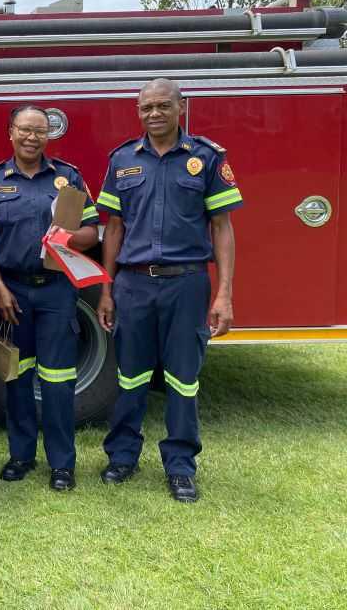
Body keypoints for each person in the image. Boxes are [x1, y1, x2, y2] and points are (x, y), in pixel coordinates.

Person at [96, 78, 241, 503]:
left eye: (162, 106)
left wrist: (224, 293)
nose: (154, 114)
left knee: (183, 379)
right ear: (138, 111)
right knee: (130, 376)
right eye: (146, 108)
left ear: (181, 107)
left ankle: (180, 466)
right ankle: (122, 456)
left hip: (187, 282)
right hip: (133, 283)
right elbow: (114, 230)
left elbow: (222, 228)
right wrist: (106, 289)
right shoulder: (123, 160)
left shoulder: (207, 158)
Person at [0, 105, 99, 492]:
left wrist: (66, 237)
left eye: (40, 131)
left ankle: (62, 464)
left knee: (59, 380)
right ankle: (21, 456)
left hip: (57, 290)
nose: (32, 138)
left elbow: (92, 232)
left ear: (49, 135)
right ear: (11, 132)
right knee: (16, 376)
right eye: (25, 130)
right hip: (12, 290)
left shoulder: (68, 178)